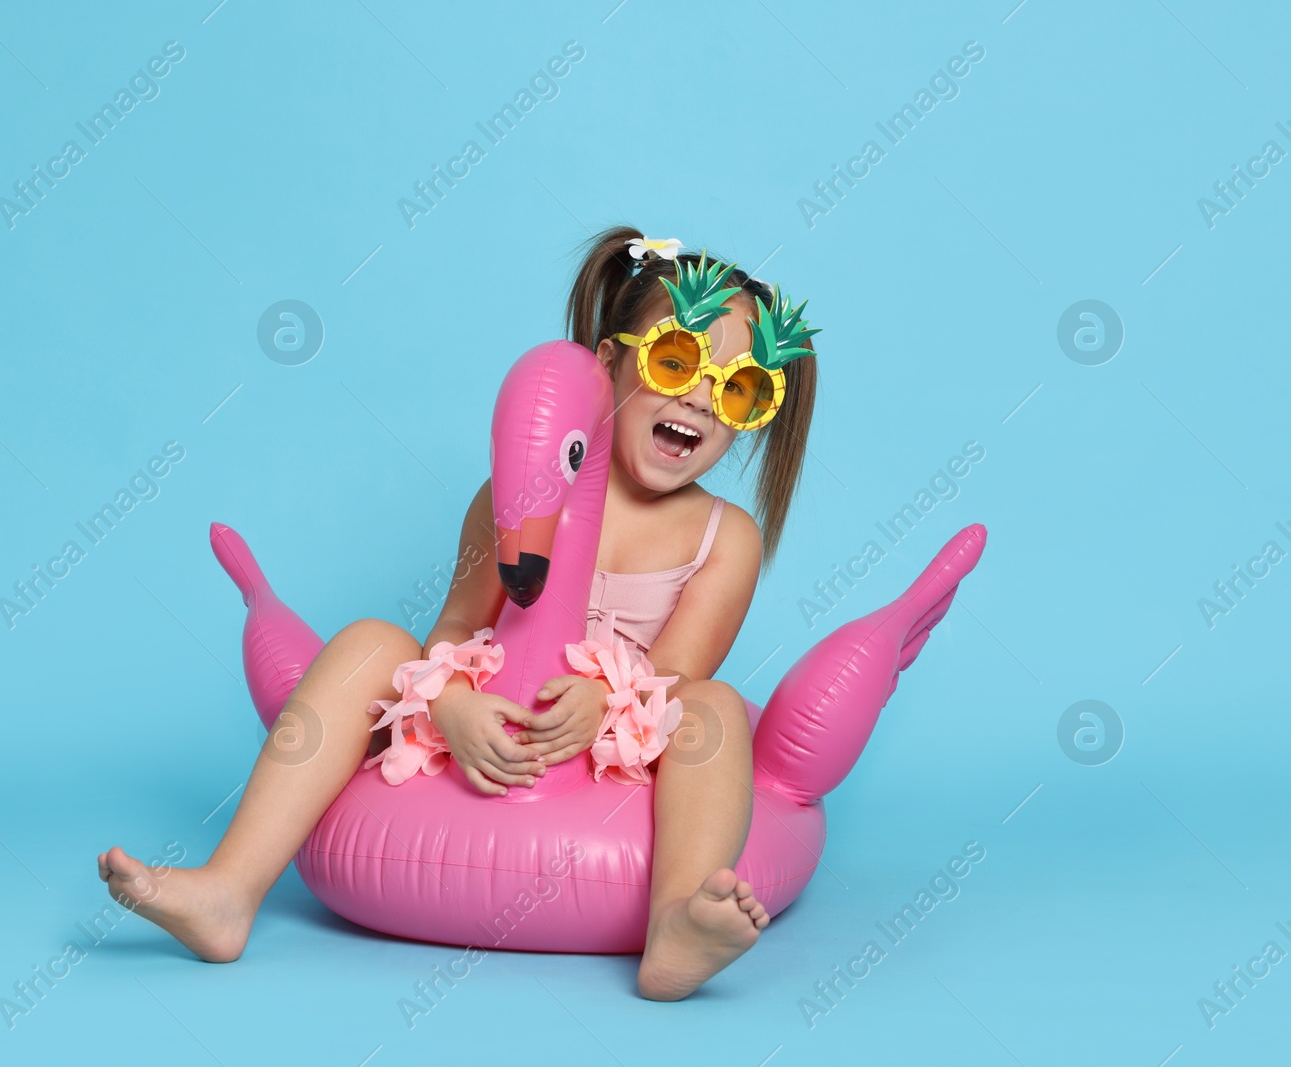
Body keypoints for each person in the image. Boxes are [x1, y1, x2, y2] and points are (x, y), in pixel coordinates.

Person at [98, 224, 820, 1001]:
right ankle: (227, 890)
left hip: (621, 737)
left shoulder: (726, 537)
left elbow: (680, 673)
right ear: (607, 363)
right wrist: (449, 705)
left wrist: (606, 701)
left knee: (712, 710)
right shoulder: (518, 485)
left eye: (740, 389)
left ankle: (677, 921)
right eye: (676, 360)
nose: (701, 397)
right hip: (492, 703)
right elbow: (453, 629)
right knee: (374, 638)